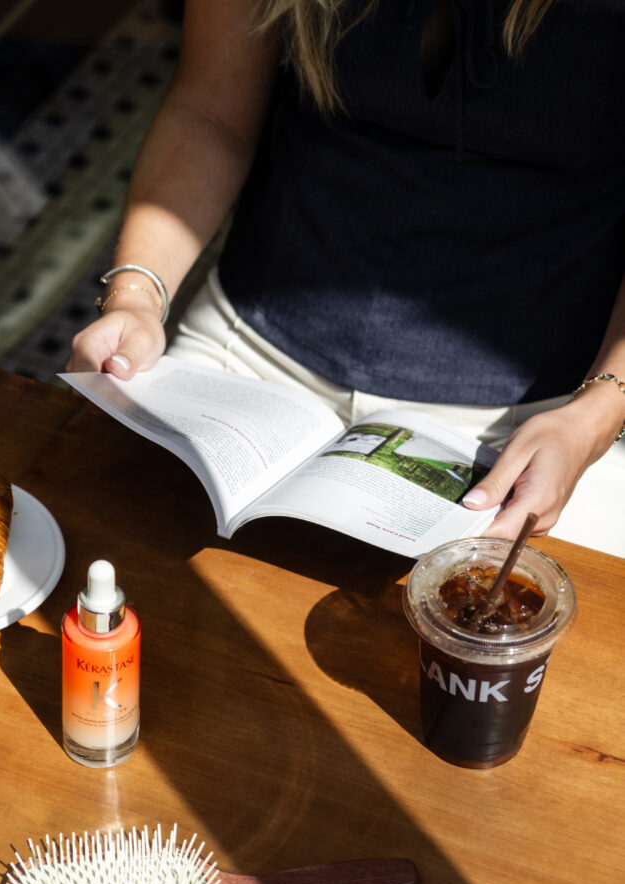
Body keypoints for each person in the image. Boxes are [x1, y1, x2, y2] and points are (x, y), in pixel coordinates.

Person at [67, 0, 625, 547]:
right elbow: (209, 111)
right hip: (241, 353)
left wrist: (595, 416)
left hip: (525, 419)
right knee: (107, 552)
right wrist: (135, 296)